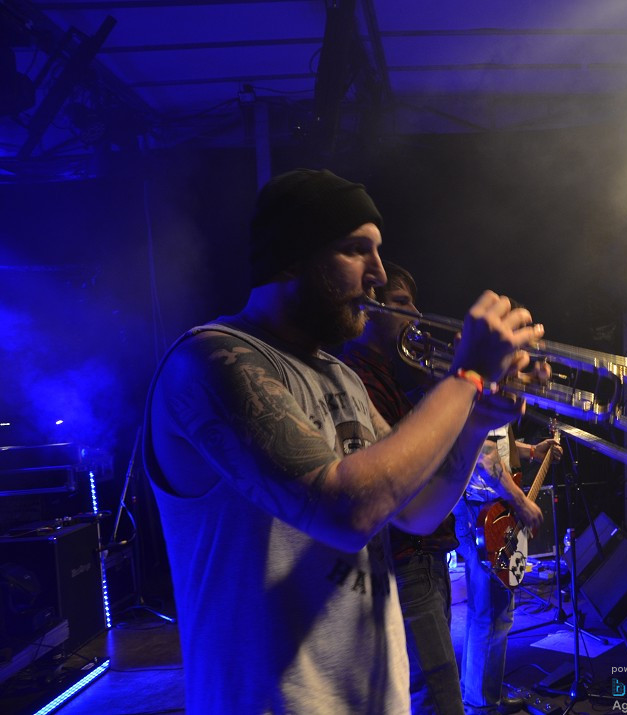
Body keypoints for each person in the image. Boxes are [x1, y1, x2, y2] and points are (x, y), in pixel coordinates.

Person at [142, 168, 542, 713]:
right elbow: (345, 513)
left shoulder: (340, 375)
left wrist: (477, 420)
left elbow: (415, 512)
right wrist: (466, 376)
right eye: (357, 251)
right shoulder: (211, 361)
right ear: (291, 256)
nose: (378, 275)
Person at [339, 262, 465, 715]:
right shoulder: (356, 375)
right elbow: (400, 464)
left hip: (424, 554)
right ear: (368, 309)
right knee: (440, 702)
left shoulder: (389, 376)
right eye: (400, 303)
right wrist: (458, 385)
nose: (416, 313)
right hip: (408, 560)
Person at [453, 423, 560, 715]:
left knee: (489, 613)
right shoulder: (492, 385)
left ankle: (481, 695)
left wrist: (529, 451)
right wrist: (522, 501)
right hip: (485, 509)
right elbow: (486, 457)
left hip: (487, 505)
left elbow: (495, 442)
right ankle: (481, 705)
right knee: (492, 614)